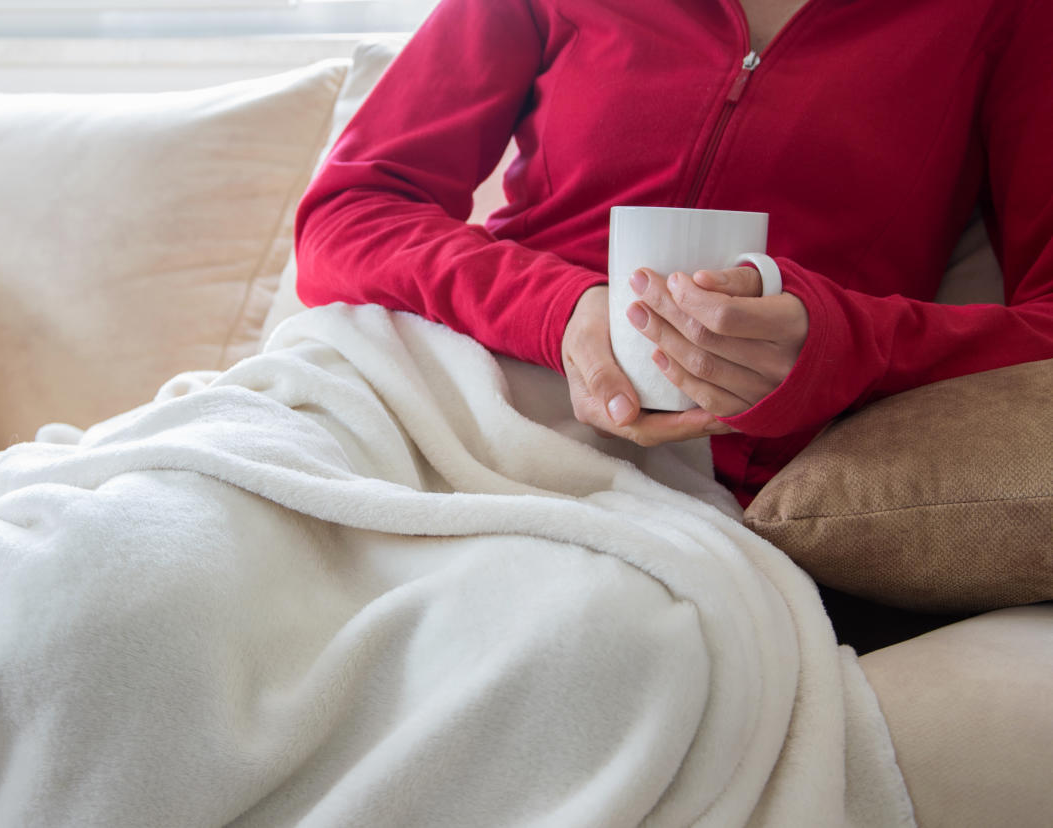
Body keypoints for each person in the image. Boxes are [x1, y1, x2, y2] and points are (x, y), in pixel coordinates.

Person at [293, 0, 1053, 823]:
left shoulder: (1005, 18)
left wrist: (835, 340)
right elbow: (346, 215)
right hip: (425, 378)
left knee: (565, 666)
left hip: (680, 478)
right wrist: (562, 308)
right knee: (157, 559)